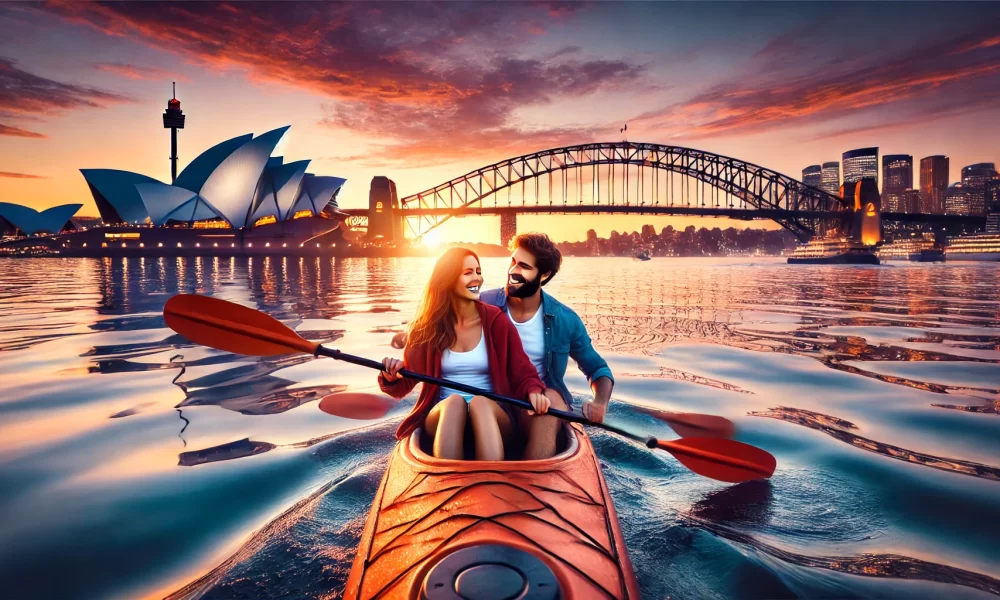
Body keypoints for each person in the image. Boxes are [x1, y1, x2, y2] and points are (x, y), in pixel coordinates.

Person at [379, 247, 554, 461]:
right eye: (468, 272)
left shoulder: (496, 321)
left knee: (480, 402)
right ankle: (447, 480)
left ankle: (492, 479)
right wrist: (391, 376)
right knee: (454, 403)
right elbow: (403, 385)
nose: (477, 278)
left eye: (478, 271)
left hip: (494, 416)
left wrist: (534, 391)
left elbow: (524, 373)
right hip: (443, 417)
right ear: (448, 280)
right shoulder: (425, 328)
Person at [479, 233, 614, 460]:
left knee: (549, 401)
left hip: (541, 403)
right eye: (513, 261)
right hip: (495, 402)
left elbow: (598, 370)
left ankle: (535, 480)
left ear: (544, 275)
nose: (513, 270)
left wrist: (599, 402)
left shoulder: (565, 319)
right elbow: (440, 324)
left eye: (524, 266)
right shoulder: (483, 304)